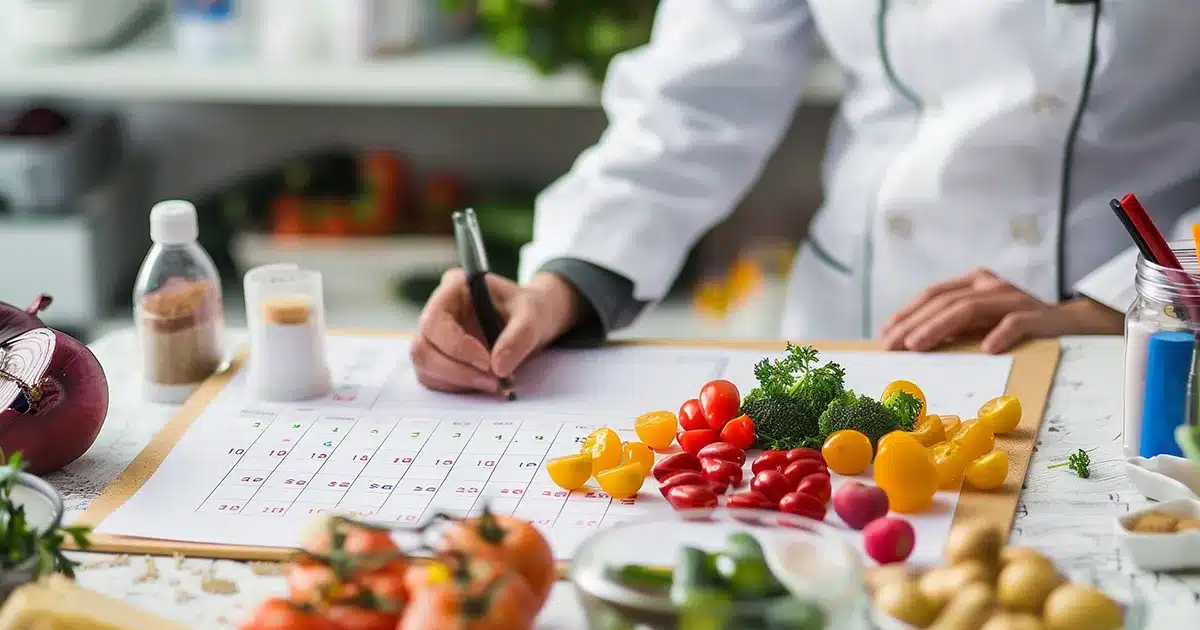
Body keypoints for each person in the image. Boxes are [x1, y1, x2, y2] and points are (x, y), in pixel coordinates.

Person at [413, 1, 1200, 395]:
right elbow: (699, 97)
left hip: (1138, 331)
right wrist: (565, 284)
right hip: (861, 321)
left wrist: (1121, 305)